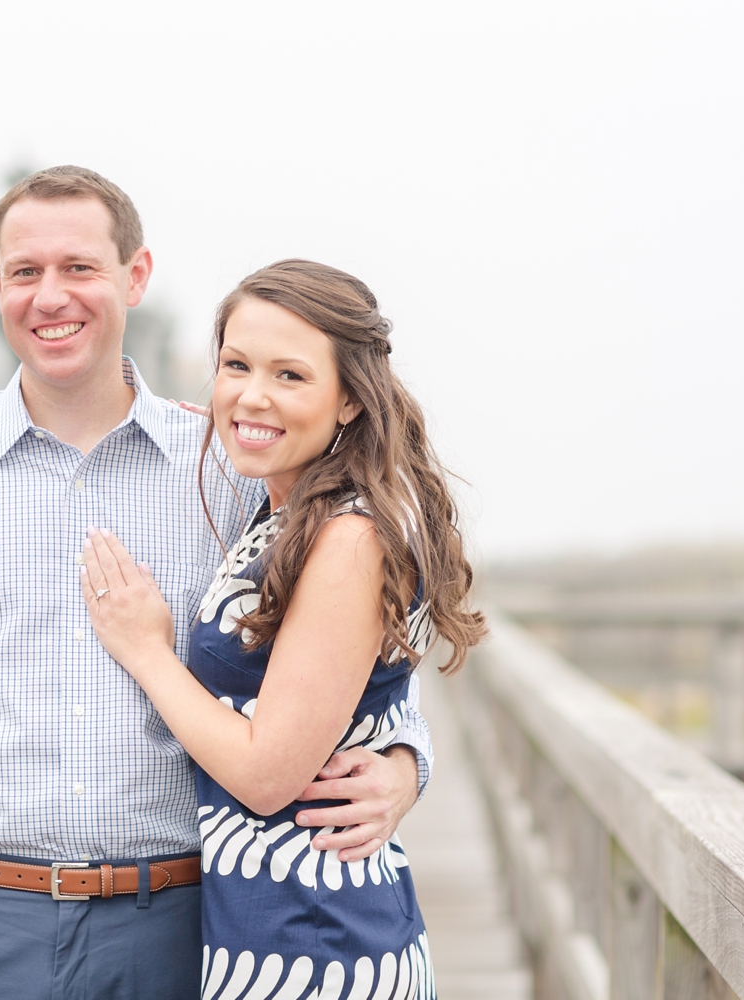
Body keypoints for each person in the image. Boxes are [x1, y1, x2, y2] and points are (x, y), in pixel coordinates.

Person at [0, 167, 436, 1000]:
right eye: (25, 272)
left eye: (79, 268)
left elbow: (338, 649)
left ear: (134, 277)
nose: (50, 296)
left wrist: (403, 759)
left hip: (177, 929)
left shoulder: (233, 467)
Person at [79, 259, 487, 1000]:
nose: (252, 394)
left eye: (291, 376)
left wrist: (146, 650)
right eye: (235, 365)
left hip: (319, 944)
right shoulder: (292, 511)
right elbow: (355, 697)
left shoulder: (350, 536)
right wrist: (406, 759)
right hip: (271, 934)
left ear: (350, 401)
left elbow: (269, 777)